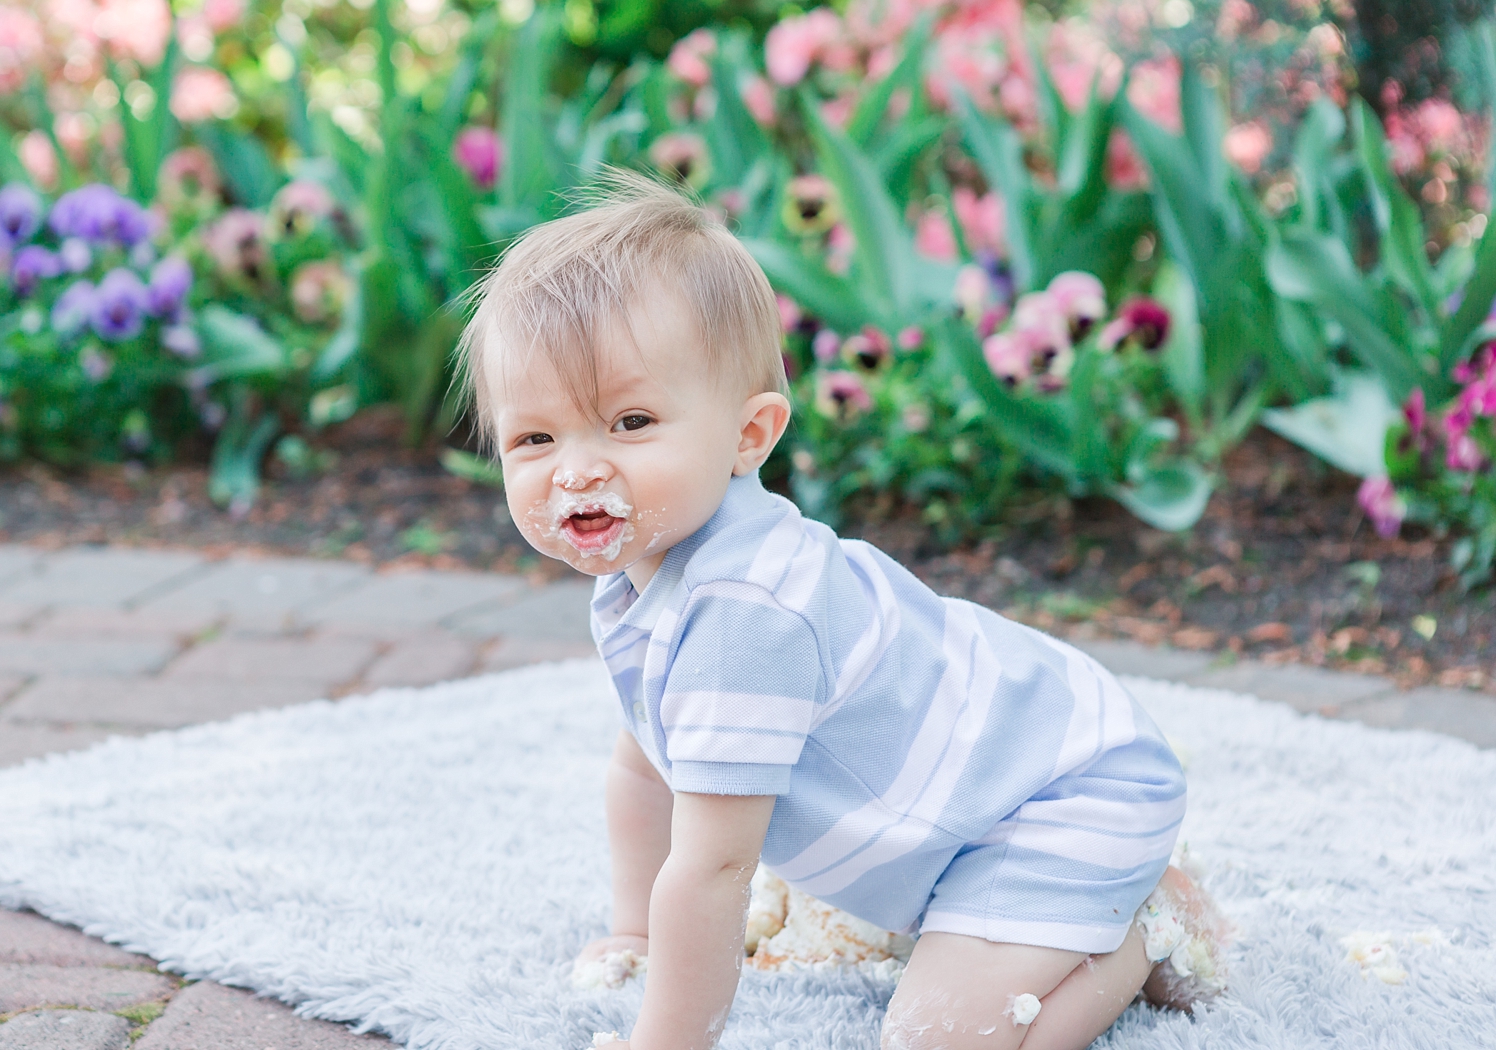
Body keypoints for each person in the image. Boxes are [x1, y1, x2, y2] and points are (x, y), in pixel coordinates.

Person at [456, 172, 1224, 1050]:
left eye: (630, 422)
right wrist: (634, 930)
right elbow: (643, 771)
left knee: (943, 1038)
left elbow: (712, 869)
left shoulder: (745, 614)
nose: (576, 470)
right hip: (973, 807)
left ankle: (1139, 930)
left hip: (1059, 795)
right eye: (535, 438)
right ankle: (1073, 917)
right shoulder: (644, 571)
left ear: (750, 435)